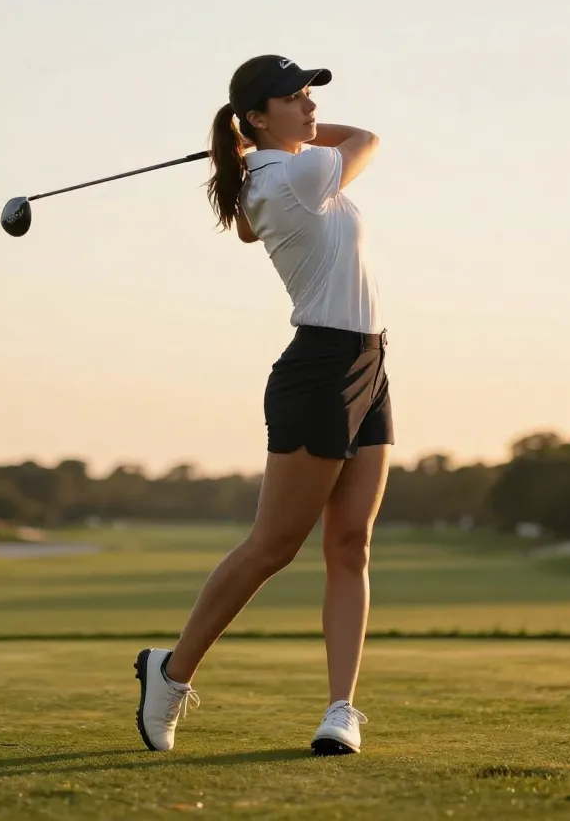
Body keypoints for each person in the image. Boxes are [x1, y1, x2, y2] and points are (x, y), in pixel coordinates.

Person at [134, 54, 391, 757]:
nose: (310, 107)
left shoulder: (271, 177)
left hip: (369, 360)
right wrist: (264, 146)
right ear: (255, 113)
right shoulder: (300, 171)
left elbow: (249, 227)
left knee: (350, 544)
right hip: (320, 368)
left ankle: (341, 709)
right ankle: (171, 671)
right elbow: (366, 137)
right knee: (274, 546)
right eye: (294, 98)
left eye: (311, 95)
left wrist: (252, 144)